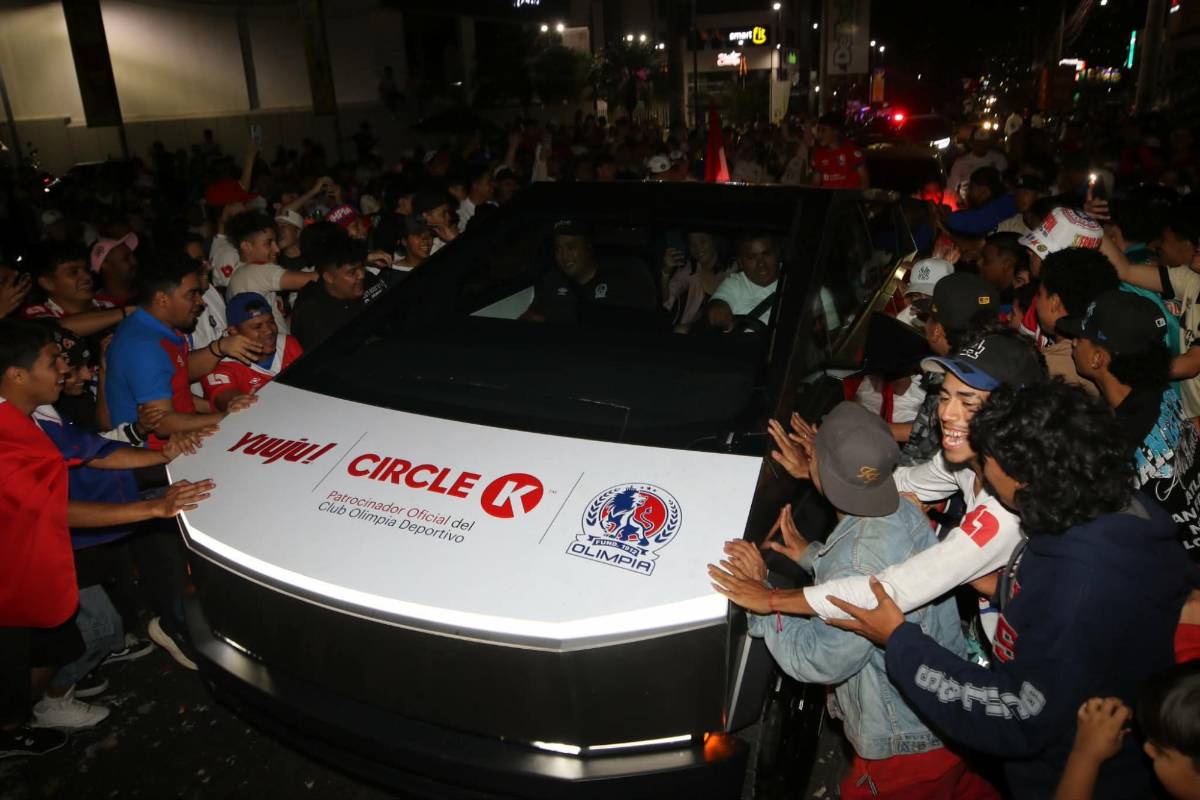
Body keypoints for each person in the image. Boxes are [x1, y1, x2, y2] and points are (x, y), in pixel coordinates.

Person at [821, 381, 1193, 799]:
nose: (984, 476)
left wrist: (899, 640)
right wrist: (983, 582)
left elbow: (1018, 713)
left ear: (1027, 479)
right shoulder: (1100, 511)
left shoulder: (1080, 591)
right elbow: (1041, 596)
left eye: (989, 465)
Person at [713, 403, 997, 799]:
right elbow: (877, 573)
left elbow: (818, 659)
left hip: (904, 750)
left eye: (814, 456)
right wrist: (813, 556)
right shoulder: (903, 508)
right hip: (948, 721)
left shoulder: (856, 559)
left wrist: (762, 594)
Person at [721, 334, 1045, 642]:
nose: (946, 413)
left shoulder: (1004, 511)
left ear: (1012, 412)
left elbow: (887, 590)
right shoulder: (963, 464)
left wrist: (770, 599)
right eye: (945, 397)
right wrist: (821, 470)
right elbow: (900, 482)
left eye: (968, 402)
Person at [1057, 289, 1200, 561]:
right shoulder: (1160, 392)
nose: (1073, 343)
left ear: (1098, 359)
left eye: (1081, 338)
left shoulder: (1116, 445)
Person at [105, 251, 259, 435]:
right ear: (162, 299)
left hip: (183, 437)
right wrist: (226, 418)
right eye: (191, 294)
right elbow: (161, 424)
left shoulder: (154, 325)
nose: (200, 302)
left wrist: (220, 349)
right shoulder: (143, 346)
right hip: (157, 449)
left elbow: (177, 381)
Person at [899, 273, 1002, 466]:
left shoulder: (949, 379)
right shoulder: (995, 363)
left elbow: (920, 452)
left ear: (937, 330)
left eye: (928, 318)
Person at [522, 220, 656, 324]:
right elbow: (533, 317)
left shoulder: (621, 278)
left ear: (587, 247)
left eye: (571, 247)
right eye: (558, 249)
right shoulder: (552, 281)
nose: (564, 256)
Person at [1032, 248, 1119, 395]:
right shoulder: (1112, 356)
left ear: (1054, 302)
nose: (1036, 302)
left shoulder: (1040, 370)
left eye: (1039, 294)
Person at [201, 293, 303, 412]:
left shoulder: (288, 343)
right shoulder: (220, 364)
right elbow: (225, 398)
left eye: (271, 322)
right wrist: (236, 401)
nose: (269, 331)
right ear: (233, 331)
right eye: (257, 327)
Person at [225, 210, 318, 333]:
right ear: (246, 246)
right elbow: (316, 279)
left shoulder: (240, 273)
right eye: (269, 243)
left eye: (276, 242)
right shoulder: (257, 271)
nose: (277, 249)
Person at [21, 243, 130, 337]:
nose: (87, 276)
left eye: (87, 269)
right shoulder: (35, 314)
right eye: (73, 272)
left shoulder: (109, 304)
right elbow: (59, 328)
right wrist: (126, 312)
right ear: (47, 283)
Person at [290, 234, 370, 350]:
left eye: (362, 267)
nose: (361, 275)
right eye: (352, 272)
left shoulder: (364, 282)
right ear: (329, 277)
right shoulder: (312, 316)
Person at [704, 234, 781, 331]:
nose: (761, 264)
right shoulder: (735, 283)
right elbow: (719, 302)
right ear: (740, 263)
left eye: (767, 254)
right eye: (752, 257)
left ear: (778, 254)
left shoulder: (794, 281)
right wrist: (718, 311)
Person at [660, 231, 734, 330]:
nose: (697, 248)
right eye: (692, 244)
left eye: (702, 241)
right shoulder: (690, 269)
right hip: (695, 329)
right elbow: (667, 301)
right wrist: (665, 272)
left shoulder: (734, 269)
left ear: (714, 240)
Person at [948, 130, 1008, 203]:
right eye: (978, 142)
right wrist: (961, 202)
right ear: (972, 143)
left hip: (994, 201)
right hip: (969, 203)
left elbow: (1005, 182)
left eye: (985, 142)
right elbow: (951, 188)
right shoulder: (960, 162)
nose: (982, 145)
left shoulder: (999, 158)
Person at [811, 113, 867, 189]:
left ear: (835, 131)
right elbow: (816, 182)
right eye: (818, 130)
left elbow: (864, 180)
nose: (819, 134)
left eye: (823, 130)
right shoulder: (818, 154)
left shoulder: (851, 150)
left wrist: (857, 194)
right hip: (829, 196)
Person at [88, 233, 139, 307]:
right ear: (105, 264)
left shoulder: (148, 293)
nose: (134, 262)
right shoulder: (95, 307)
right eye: (126, 258)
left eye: (133, 256)